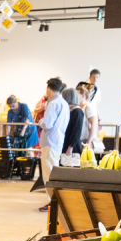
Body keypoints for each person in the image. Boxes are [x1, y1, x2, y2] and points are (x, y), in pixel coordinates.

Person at [38, 77, 69, 211]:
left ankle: (53, 201)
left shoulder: (53, 103)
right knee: (53, 171)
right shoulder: (64, 103)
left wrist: (40, 121)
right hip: (57, 140)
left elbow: (47, 123)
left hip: (50, 141)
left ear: (49, 89)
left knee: (48, 173)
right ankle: (55, 200)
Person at [61, 88, 86, 159]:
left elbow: (76, 131)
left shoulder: (77, 111)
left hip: (72, 146)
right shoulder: (69, 110)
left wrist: (70, 147)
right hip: (66, 143)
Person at [77, 83, 100, 148]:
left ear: (83, 95)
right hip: (80, 139)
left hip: (86, 139)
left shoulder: (88, 106)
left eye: (77, 94)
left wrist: (88, 142)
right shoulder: (78, 107)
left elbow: (94, 124)